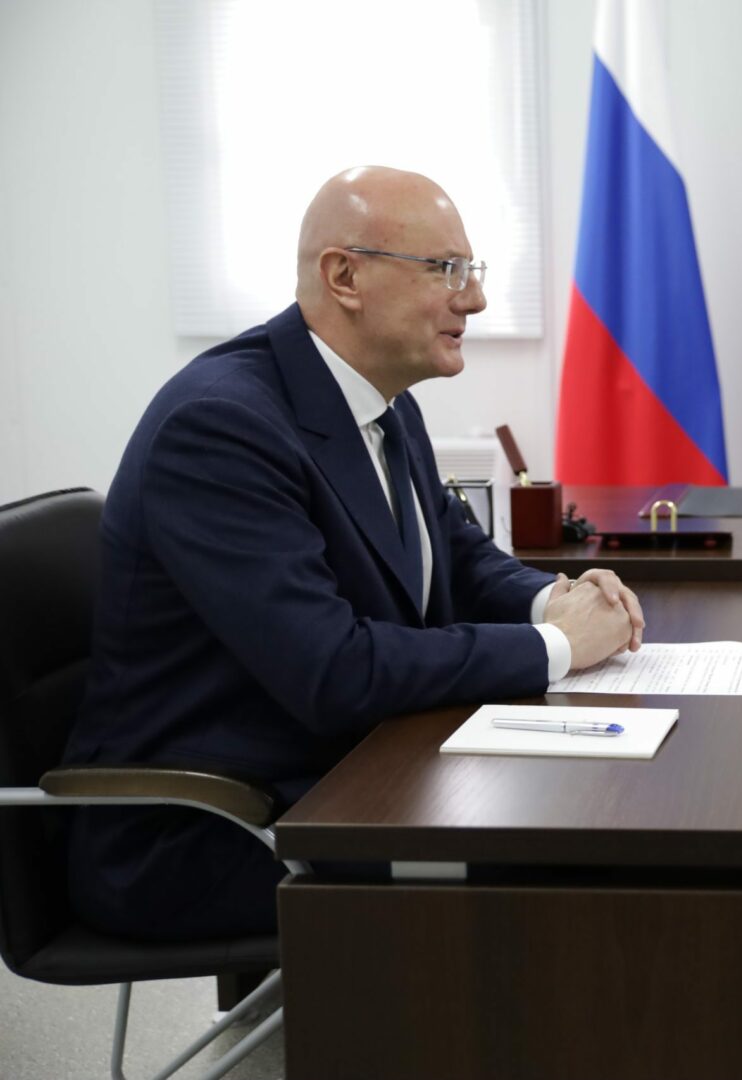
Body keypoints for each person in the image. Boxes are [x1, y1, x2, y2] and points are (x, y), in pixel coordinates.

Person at [64, 167, 644, 939]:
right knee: (565, 857)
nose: (473, 299)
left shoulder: (382, 403)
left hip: (346, 770)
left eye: (471, 271)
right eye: (446, 270)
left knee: (584, 813)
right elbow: (333, 671)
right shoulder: (219, 427)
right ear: (345, 277)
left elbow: (458, 555)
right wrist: (558, 646)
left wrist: (554, 600)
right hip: (210, 826)